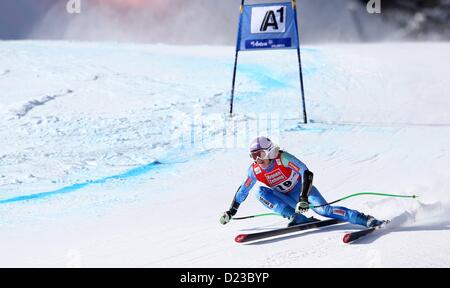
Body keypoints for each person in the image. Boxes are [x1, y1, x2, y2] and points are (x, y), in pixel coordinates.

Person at [220, 136, 383, 227]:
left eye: (260, 154)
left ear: (269, 152)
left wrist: (304, 198)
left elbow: (307, 173)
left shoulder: (282, 158)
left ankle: (364, 219)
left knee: (324, 211)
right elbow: (243, 191)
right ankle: (296, 217)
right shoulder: (254, 170)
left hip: (303, 191)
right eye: (253, 156)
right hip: (286, 198)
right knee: (260, 192)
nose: (257, 160)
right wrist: (231, 211)